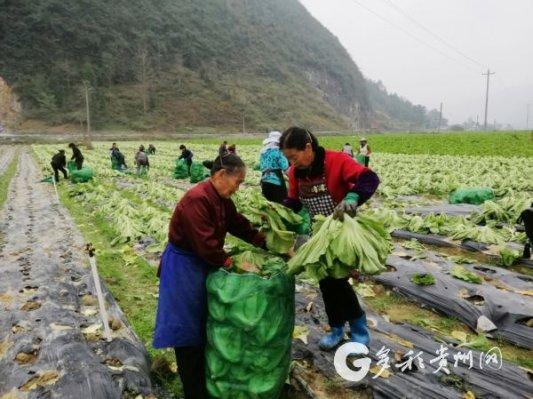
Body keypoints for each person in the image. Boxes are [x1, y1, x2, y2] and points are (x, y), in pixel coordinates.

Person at [153, 154, 266, 399]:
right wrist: (233, 264)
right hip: (184, 266)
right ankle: (194, 391)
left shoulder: (221, 199)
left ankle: (205, 381)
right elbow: (205, 245)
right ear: (221, 175)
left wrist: (264, 241)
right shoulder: (197, 199)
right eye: (238, 182)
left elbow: (238, 225)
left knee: (204, 323)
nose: (238, 188)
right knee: (187, 331)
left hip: (202, 264)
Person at [280, 127, 380, 351]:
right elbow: (294, 201)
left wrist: (354, 196)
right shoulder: (296, 173)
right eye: (289, 159)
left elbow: (369, 178)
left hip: (342, 232)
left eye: (294, 157)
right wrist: (280, 212)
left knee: (339, 282)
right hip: (320, 234)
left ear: (308, 147)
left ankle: (359, 329)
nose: (292, 164)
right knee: (326, 284)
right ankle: (336, 328)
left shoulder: (337, 161)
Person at [259, 131, 289, 203]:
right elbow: (285, 168)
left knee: (269, 203)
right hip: (276, 181)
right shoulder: (278, 152)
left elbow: (261, 166)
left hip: (264, 180)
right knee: (280, 203)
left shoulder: (263, 152)